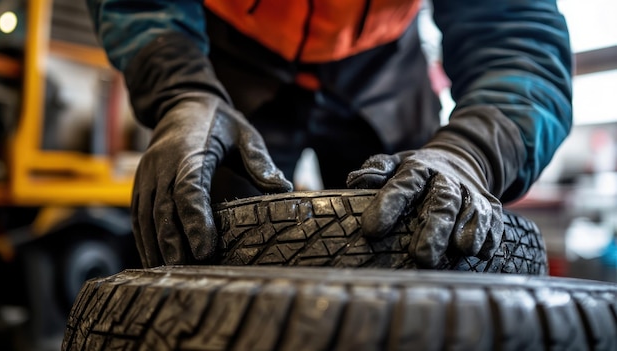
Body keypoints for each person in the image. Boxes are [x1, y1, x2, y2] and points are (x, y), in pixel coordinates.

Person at [86, 0, 572, 268]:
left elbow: (515, 37)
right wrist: (179, 90)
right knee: (196, 238)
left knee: (429, 229)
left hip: (380, 57)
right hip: (222, 49)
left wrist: (473, 153)